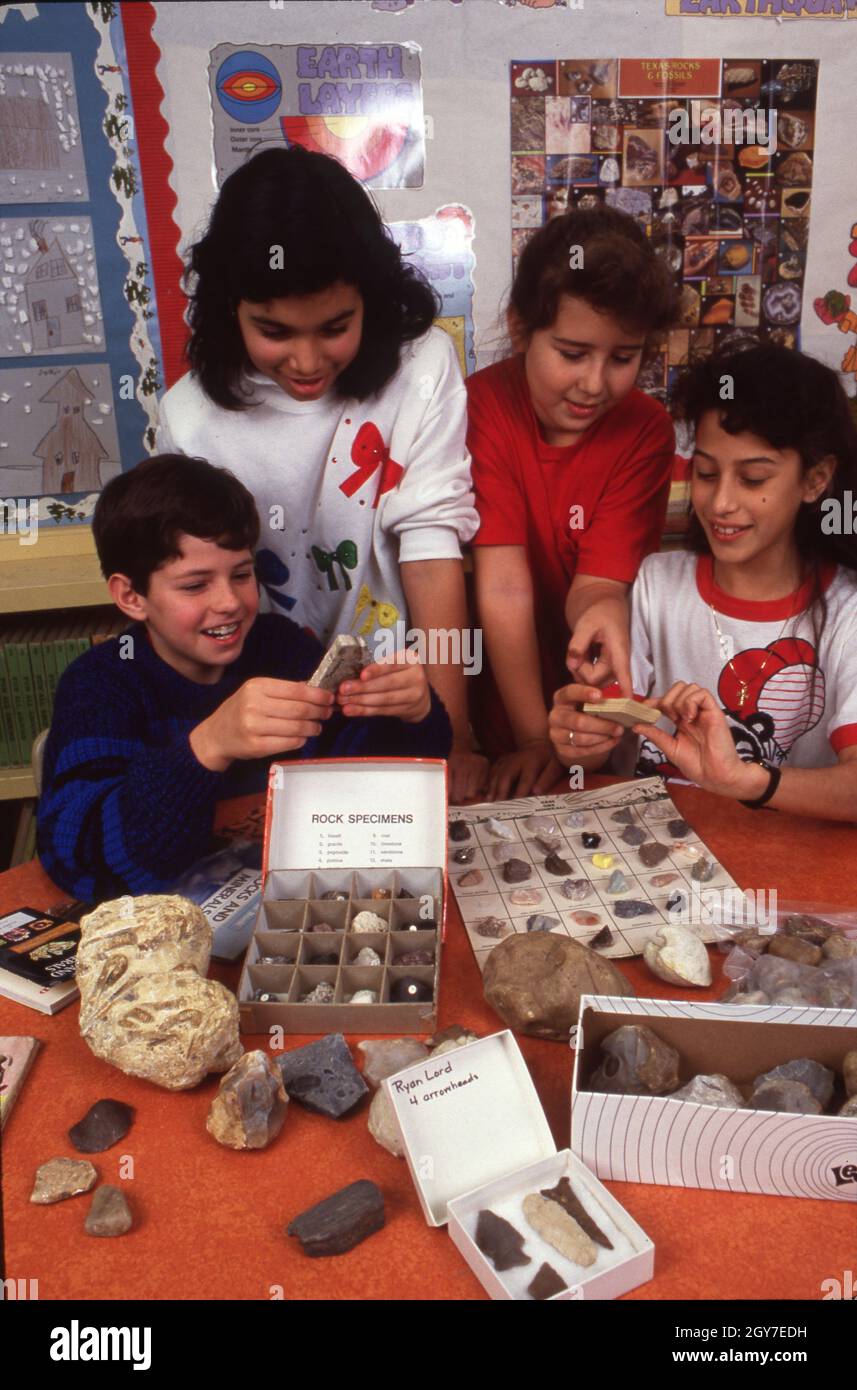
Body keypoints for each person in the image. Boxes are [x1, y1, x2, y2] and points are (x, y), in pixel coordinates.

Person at [156, 147, 485, 802]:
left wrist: (456, 738)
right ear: (229, 310)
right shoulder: (189, 417)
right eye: (273, 330)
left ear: (374, 299)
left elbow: (429, 551)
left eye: (335, 327)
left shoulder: (421, 368)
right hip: (266, 720)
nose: (307, 361)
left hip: (399, 703)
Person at [37, 456, 452, 902]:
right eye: (195, 586)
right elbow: (77, 858)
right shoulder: (99, 684)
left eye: (241, 574)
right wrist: (207, 746)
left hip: (295, 901)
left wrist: (411, 715)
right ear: (131, 596)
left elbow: (367, 783)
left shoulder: (282, 648)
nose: (230, 602)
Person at [548, 344, 857, 822]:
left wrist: (743, 780)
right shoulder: (657, 585)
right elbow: (600, 739)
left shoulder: (846, 610)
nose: (720, 503)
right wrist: (579, 739)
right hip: (658, 862)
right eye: (707, 473)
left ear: (816, 479)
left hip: (789, 871)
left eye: (753, 479)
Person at [467, 206, 678, 800]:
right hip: (494, 712)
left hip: (592, 716)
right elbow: (503, 586)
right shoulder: (481, 406)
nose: (594, 384)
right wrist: (535, 737)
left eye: (622, 358)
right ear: (519, 329)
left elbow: (598, 584)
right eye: (572, 352)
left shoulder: (645, 429)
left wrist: (603, 614)